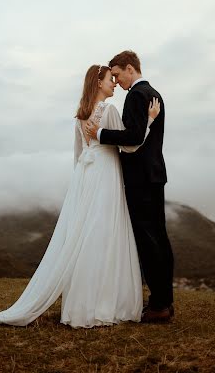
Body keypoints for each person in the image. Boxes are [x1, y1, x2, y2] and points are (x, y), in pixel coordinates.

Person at [0, 64, 160, 328]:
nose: (113, 84)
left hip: (87, 177)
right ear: (98, 82)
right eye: (110, 79)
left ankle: (84, 305)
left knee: (85, 236)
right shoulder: (108, 111)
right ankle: (106, 303)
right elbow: (129, 145)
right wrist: (150, 120)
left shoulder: (80, 116)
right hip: (106, 177)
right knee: (105, 235)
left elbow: (79, 155)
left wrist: (81, 184)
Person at [86, 51, 174, 322]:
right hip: (154, 176)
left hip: (141, 179)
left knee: (149, 242)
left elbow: (133, 139)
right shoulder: (153, 92)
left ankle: (159, 306)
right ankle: (163, 301)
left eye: (116, 74)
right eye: (111, 76)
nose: (116, 80)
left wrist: (98, 133)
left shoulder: (136, 95)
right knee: (159, 239)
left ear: (129, 69)